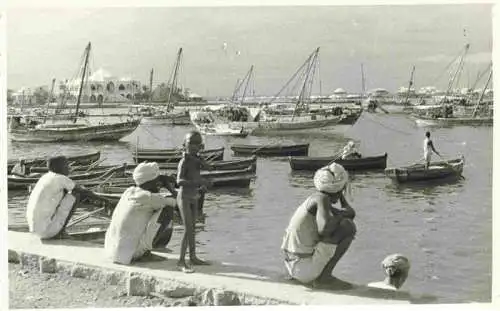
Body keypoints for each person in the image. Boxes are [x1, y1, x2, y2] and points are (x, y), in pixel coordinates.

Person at [281, 163, 357, 288]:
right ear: (339, 189)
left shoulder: (316, 199)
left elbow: (350, 213)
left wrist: (340, 195)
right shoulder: (322, 199)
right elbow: (324, 229)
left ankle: (321, 276)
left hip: (294, 267)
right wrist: (339, 216)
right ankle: (325, 278)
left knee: (344, 222)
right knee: (348, 227)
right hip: (304, 269)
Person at [104, 162, 177, 265]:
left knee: (157, 207)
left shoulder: (128, 191)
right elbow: (178, 202)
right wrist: (169, 187)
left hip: (111, 252)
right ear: (150, 181)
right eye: (157, 180)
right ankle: (144, 252)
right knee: (168, 208)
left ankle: (143, 248)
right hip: (128, 255)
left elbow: (156, 198)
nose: (159, 183)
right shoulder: (148, 197)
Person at [26, 156, 103, 240]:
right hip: (47, 232)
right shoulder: (60, 178)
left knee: (66, 192)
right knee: (76, 194)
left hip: (34, 230)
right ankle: (61, 232)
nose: (69, 168)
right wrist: (106, 201)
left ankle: (57, 228)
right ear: (57, 168)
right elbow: (83, 191)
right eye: (66, 166)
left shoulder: (44, 177)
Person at [177, 130, 213, 272]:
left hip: (194, 197)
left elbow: (209, 167)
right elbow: (179, 181)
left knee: (193, 228)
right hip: (184, 197)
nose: (195, 146)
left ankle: (193, 256)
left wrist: (200, 159)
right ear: (185, 144)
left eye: (198, 144)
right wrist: (198, 182)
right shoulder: (184, 161)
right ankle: (181, 261)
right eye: (192, 143)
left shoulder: (195, 160)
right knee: (188, 229)